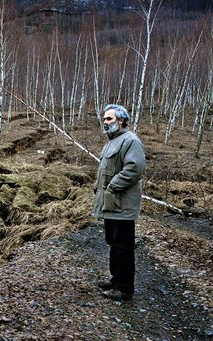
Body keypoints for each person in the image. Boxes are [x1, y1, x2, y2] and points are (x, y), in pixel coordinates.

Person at [93, 104, 146, 301]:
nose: (105, 122)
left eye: (109, 119)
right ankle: (116, 280)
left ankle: (124, 288)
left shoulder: (131, 141)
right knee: (113, 242)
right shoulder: (111, 142)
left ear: (121, 120)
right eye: (104, 119)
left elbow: (134, 168)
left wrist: (112, 186)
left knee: (123, 246)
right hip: (110, 203)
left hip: (122, 203)